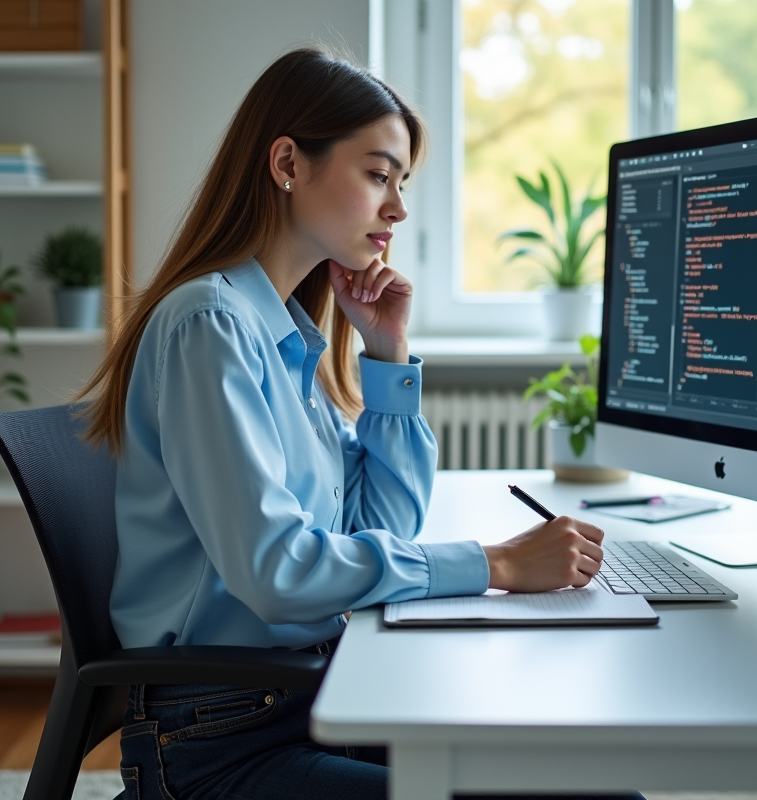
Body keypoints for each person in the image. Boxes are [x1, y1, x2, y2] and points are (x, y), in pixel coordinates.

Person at [78, 46, 634, 800]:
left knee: (597, 787)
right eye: (378, 175)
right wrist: (497, 563)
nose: (399, 208)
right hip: (220, 741)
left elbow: (382, 524)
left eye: (401, 183)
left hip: (316, 699)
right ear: (287, 163)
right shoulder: (209, 325)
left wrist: (386, 352)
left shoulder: (282, 339)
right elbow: (280, 575)